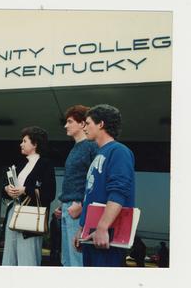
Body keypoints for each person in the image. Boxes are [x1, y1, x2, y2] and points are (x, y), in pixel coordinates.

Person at [73, 104, 135, 267]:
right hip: (91, 235)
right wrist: (82, 228)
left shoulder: (119, 151)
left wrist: (102, 227)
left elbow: (118, 192)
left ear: (101, 124)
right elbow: (90, 196)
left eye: (87, 123)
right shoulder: (99, 153)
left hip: (107, 237)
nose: (84, 127)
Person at [2, 126, 56, 266]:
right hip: (14, 212)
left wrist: (25, 190)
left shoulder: (46, 164)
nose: (21, 144)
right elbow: (7, 189)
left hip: (31, 215)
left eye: (25, 141)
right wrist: (7, 189)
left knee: (28, 258)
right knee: (9, 256)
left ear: (35, 144)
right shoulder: (20, 165)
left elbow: (49, 193)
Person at [53, 105, 97, 266]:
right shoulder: (75, 148)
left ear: (82, 124)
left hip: (77, 211)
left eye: (70, 121)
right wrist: (61, 203)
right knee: (67, 261)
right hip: (68, 208)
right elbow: (74, 179)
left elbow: (94, 181)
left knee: (76, 262)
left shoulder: (92, 146)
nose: (66, 125)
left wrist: (83, 206)